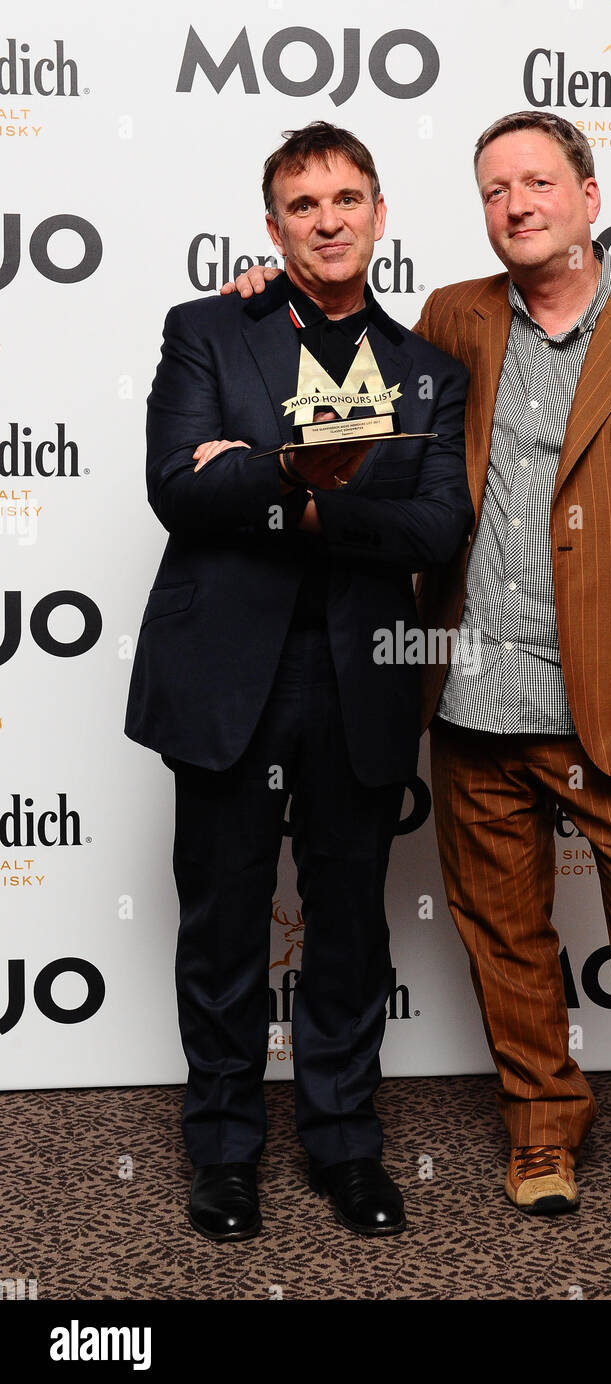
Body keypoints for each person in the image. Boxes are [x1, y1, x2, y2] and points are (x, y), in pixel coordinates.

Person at [223, 110, 611, 1254]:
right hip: (469, 691)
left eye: (534, 182)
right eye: (492, 190)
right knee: (504, 936)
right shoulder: (453, 318)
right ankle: (540, 1133)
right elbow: (349, 397)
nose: (514, 204)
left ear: (585, 191)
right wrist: (266, 300)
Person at [125, 121, 472, 1241]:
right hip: (229, 676)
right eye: (303, 204)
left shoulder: (426, 371)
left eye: (348, 199)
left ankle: (345, 1146)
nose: (327, 220)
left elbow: (433, 527)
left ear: (379, 215)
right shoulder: (207, 331)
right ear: (271, 224)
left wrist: (279, 482)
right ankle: (223, 1152)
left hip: (358, 679)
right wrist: (303, 481)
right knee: (222, 925)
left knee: (349, 932)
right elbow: (178, 491)